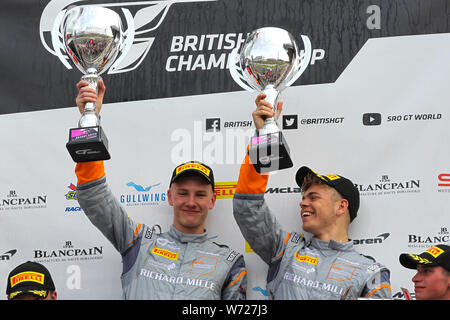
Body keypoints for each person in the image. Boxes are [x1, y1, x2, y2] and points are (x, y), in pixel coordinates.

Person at [74, 81, 247, 300]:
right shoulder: (139, 243)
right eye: (183, 193)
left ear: (212, 201)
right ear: (170, 197)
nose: (191, 201)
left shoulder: (229, 260)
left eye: (200, 194)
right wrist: (90, 123)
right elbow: (94, 197)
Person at [232, 93, 392, 299]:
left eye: (313, 197)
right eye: (304, 197)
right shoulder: (286, 251)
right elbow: (247, 209)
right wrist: (265, 135)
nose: (303, 203)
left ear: (341, 207)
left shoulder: (371, 272)